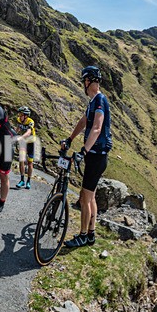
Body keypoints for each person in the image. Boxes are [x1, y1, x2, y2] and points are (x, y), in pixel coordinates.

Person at [61, 65, 112, 248]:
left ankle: (83, 236)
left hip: (96, 155)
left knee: (84, 197)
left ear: (89, 80)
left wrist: (83, 150)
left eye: (84, 80)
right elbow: (83, 121)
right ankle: (91, 234)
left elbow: (97, 128)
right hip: (96, 155)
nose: (83, 83)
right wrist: (70, 138)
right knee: (90, 197)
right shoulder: (93, 102)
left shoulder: (99, 100)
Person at [15, 106, 36, 189]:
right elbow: (17, 129)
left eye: (21, 114)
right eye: (19, 114)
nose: (19, 116)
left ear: (26, 115)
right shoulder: (19, 120)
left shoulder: (30, 121)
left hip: (31, 143)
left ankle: (28, 181)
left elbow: (28, 132)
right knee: (21, 161)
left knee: (30, 163)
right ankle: (22, 180)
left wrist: (21, 137)